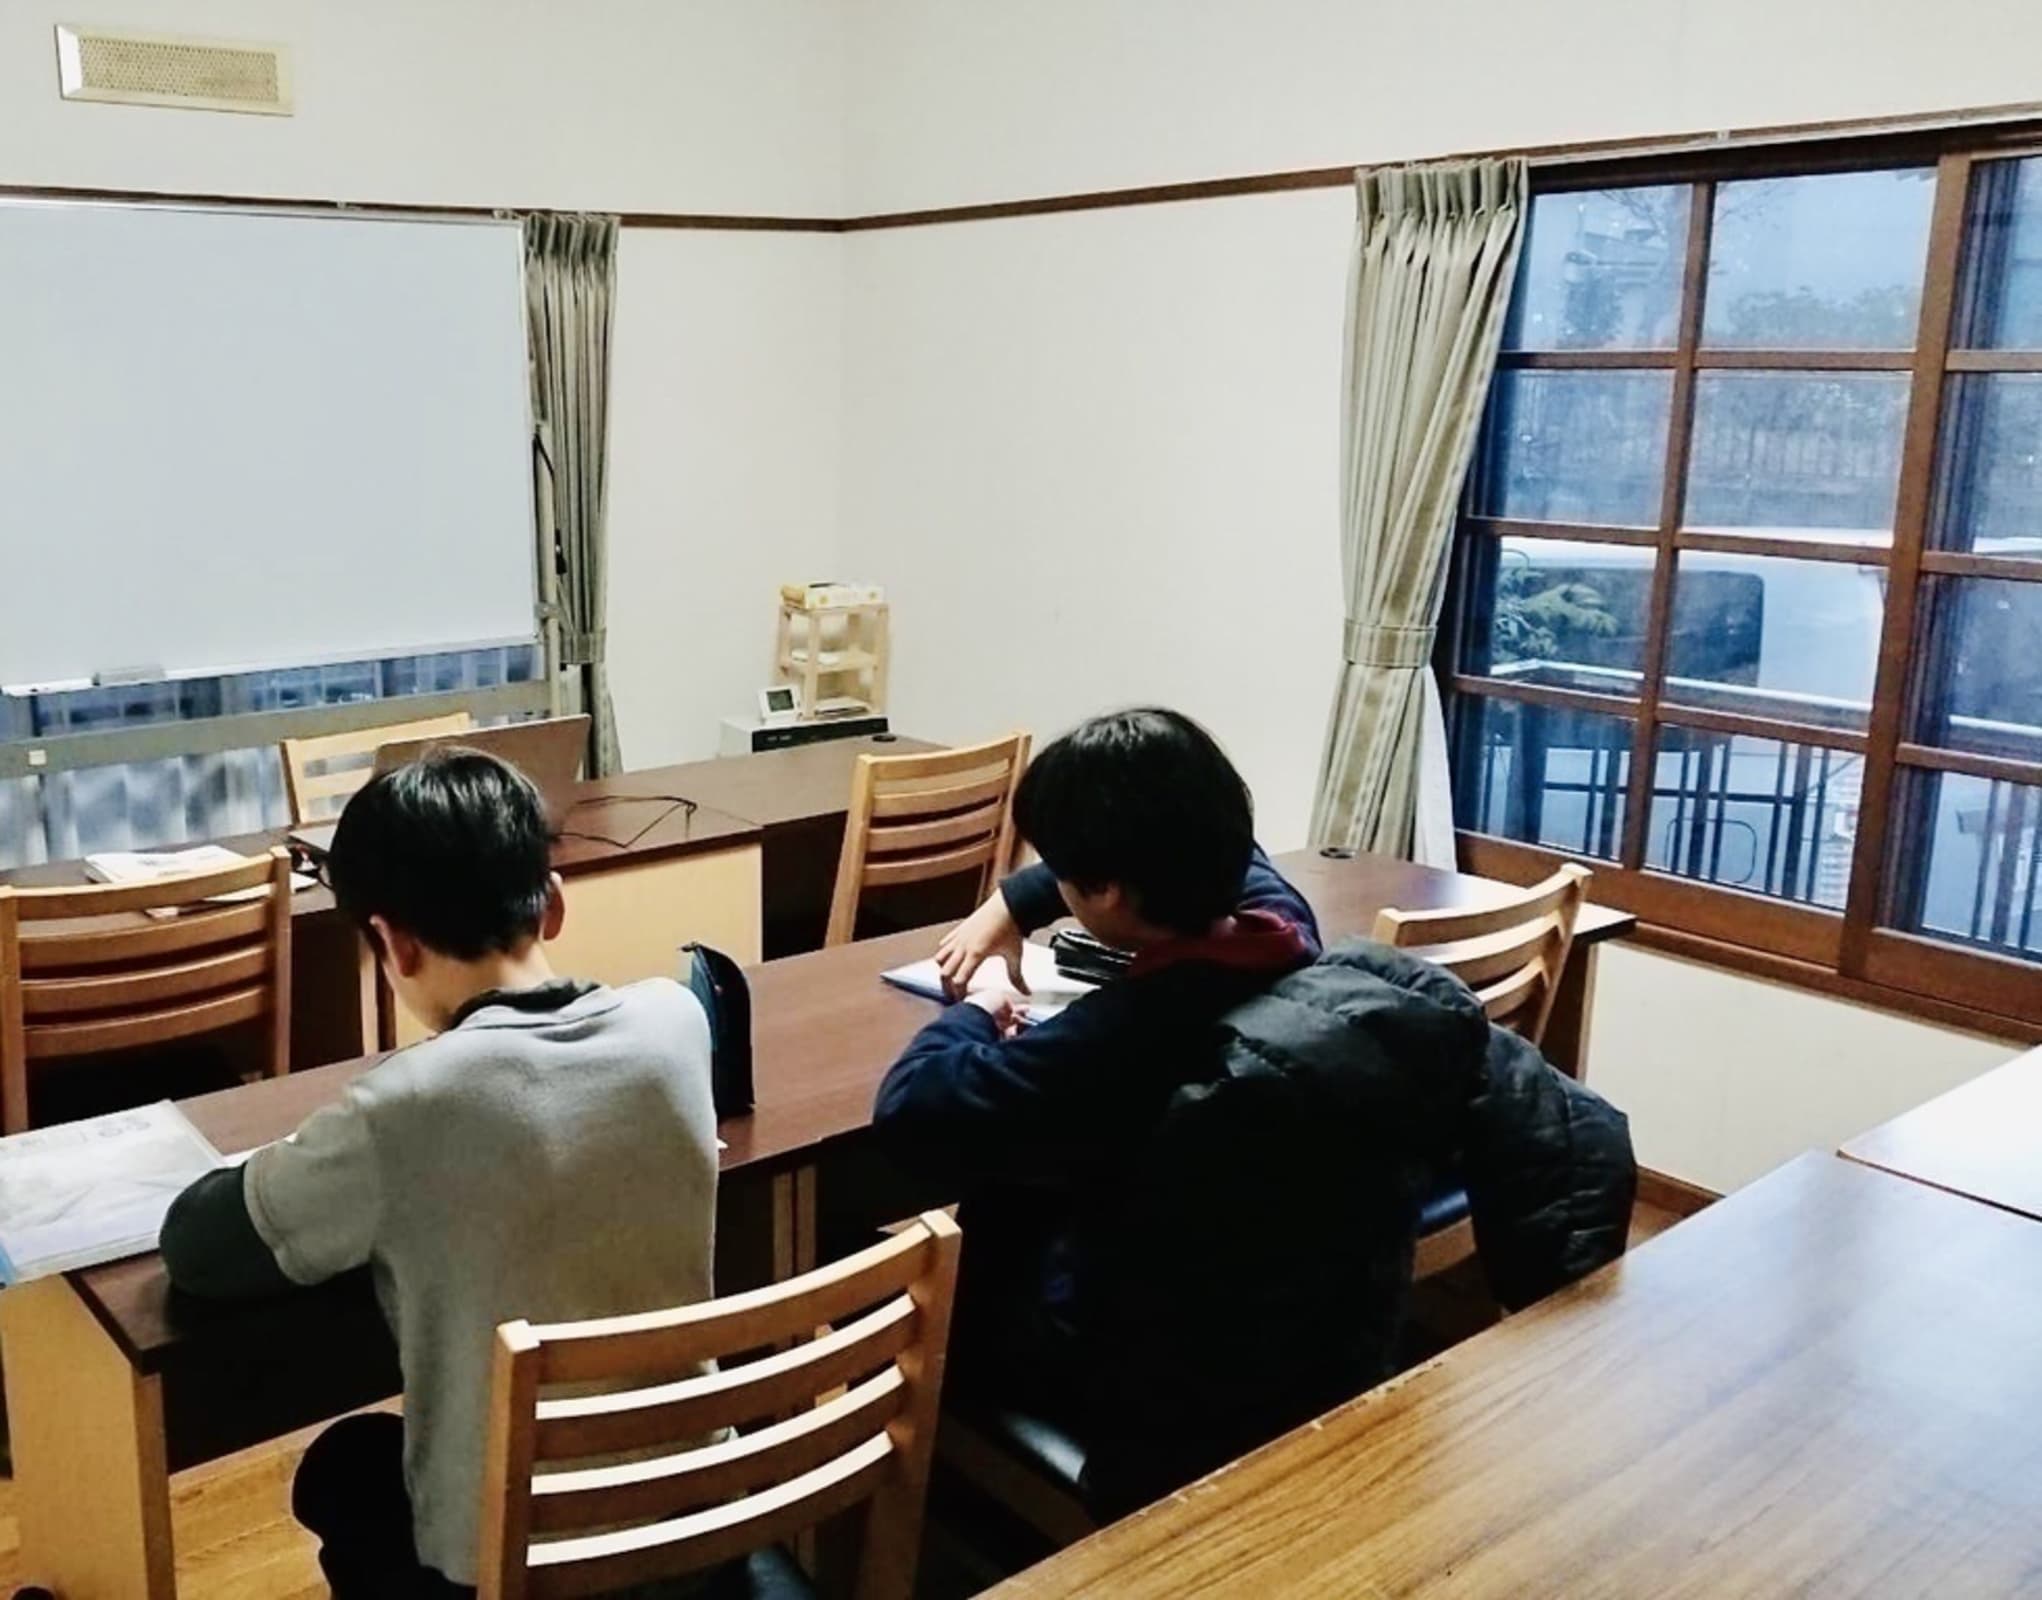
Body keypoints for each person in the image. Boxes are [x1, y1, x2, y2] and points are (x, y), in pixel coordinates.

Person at [160, 750, 720, 1598]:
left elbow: (199, 1247)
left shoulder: (403, 1108)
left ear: (392, 941)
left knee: (342, 1467)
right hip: (694, 1530)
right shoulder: (678, 1022)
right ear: (553, 903)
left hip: (509, 1566)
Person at [870, 709, 1321, 1446]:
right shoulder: (1286, 930)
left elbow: (911, 1109)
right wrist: (1012, 902)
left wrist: (982, 1006)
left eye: (1061, 870)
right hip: (1266, 1311)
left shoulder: (1121, 1034)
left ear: (1107, 888)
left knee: (893, 1262)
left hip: (1114, 1352)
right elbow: (1245, 856)